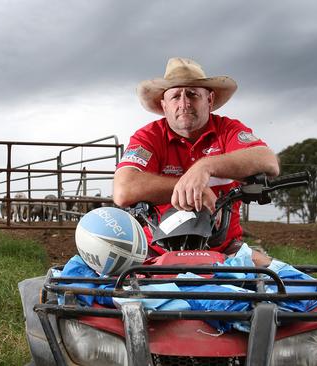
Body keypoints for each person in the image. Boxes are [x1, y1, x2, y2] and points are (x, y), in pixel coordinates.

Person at [113, 57, 279, 264]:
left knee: (285, 282)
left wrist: (205, 167)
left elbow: (268, 160)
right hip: (158, 252)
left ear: (209, 100)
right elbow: (122, 190)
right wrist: (192, 188)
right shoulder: (148, 137)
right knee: (113, 286)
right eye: (175, 96)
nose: (184, 103)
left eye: (192, 94)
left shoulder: (228, 130)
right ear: (164, 105)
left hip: (227, 251)